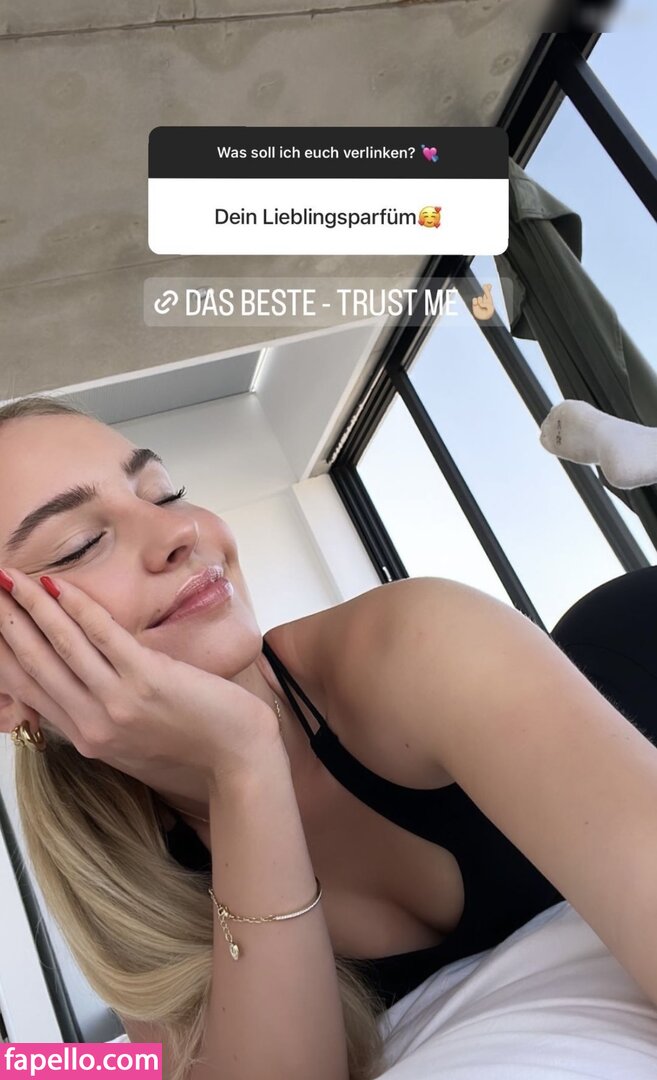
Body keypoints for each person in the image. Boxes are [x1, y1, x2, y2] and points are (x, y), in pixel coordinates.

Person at [1, 395, 656, 1080]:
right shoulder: (123, 880)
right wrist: (244, 764)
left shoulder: (417, 642)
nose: (180, 529)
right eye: (80, 545)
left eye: (165, 493)